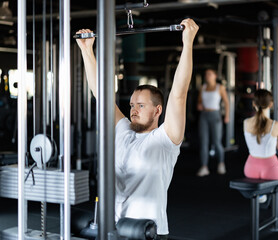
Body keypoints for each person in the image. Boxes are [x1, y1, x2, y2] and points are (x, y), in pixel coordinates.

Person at [76, 19, 199, 239]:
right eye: (132, 105)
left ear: (157, 110)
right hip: (113, 227)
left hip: (147, 231)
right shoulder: (123, 130)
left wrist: (188, 42)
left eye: (141, 106)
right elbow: (100, 94)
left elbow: (179, 94)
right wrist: (87, 51)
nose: (134, 110)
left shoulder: (164, 140)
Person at [196, 68, 230, 177]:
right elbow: (199, 102)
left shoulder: (220, 88)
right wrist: (199, 105)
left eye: (210, 74)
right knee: (204, 143)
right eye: (206, 74)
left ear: (215, 76)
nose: (207, 76)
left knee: (216, 142)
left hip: (215, 115)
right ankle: (204, 167)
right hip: (204, 116)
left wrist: (227, 116)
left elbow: (226, 102)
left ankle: (221, 164)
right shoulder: (203, 87)